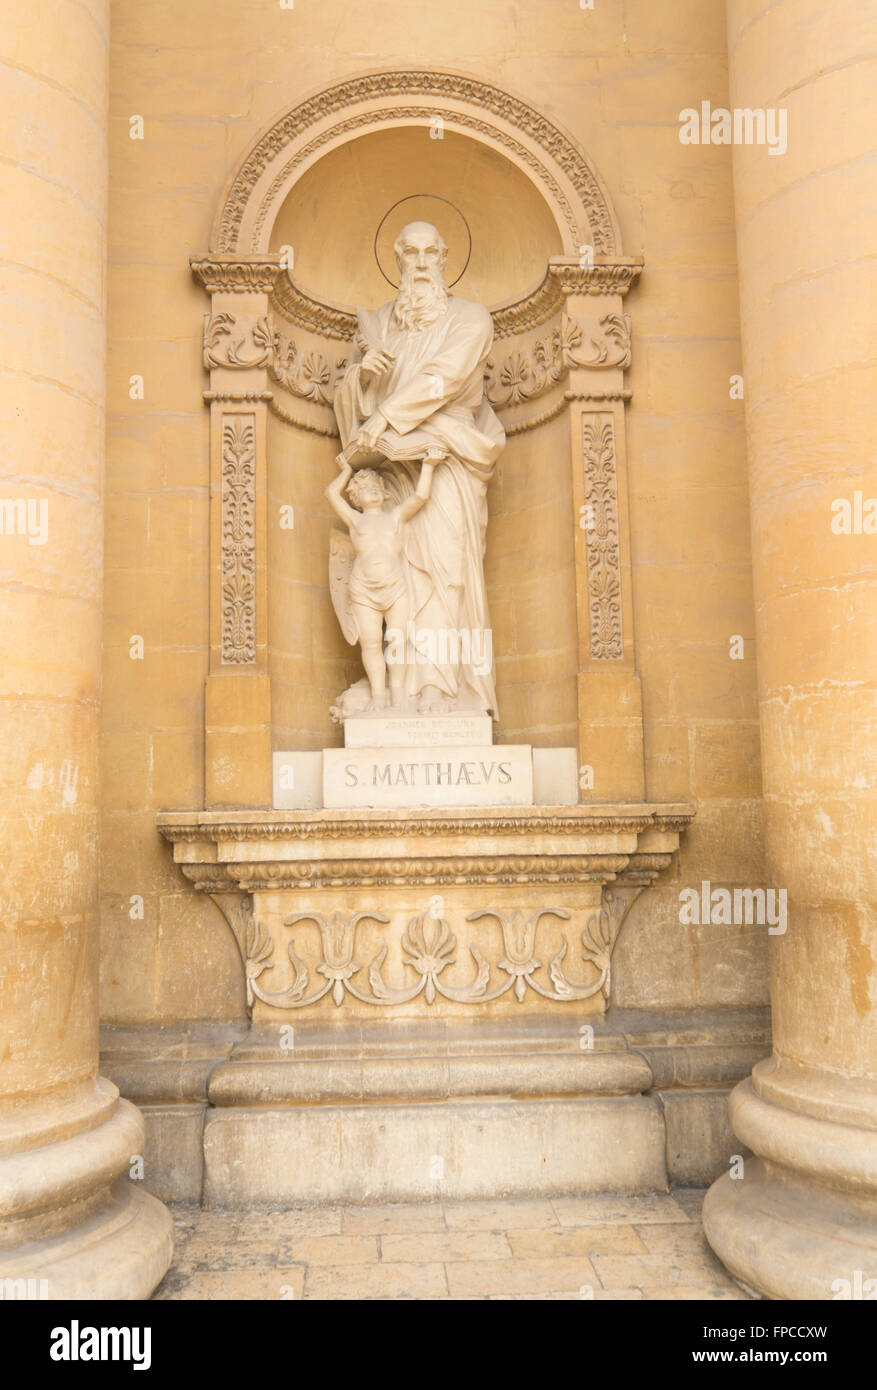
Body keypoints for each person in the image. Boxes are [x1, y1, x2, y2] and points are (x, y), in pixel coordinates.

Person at [325, 456, 439, 710]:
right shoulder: (355, 519)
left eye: (376, 486)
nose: (373, 491)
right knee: (372, 642)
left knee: (398, 639)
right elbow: (331, 493)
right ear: (355, 497)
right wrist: (346, 470)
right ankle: (378, 694)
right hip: (363, 589)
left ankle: (397, 692)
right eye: (365, 489)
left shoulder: (396, 516)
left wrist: (429, 466)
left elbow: (420, 497)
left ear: (385, 492)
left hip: (395, 586)